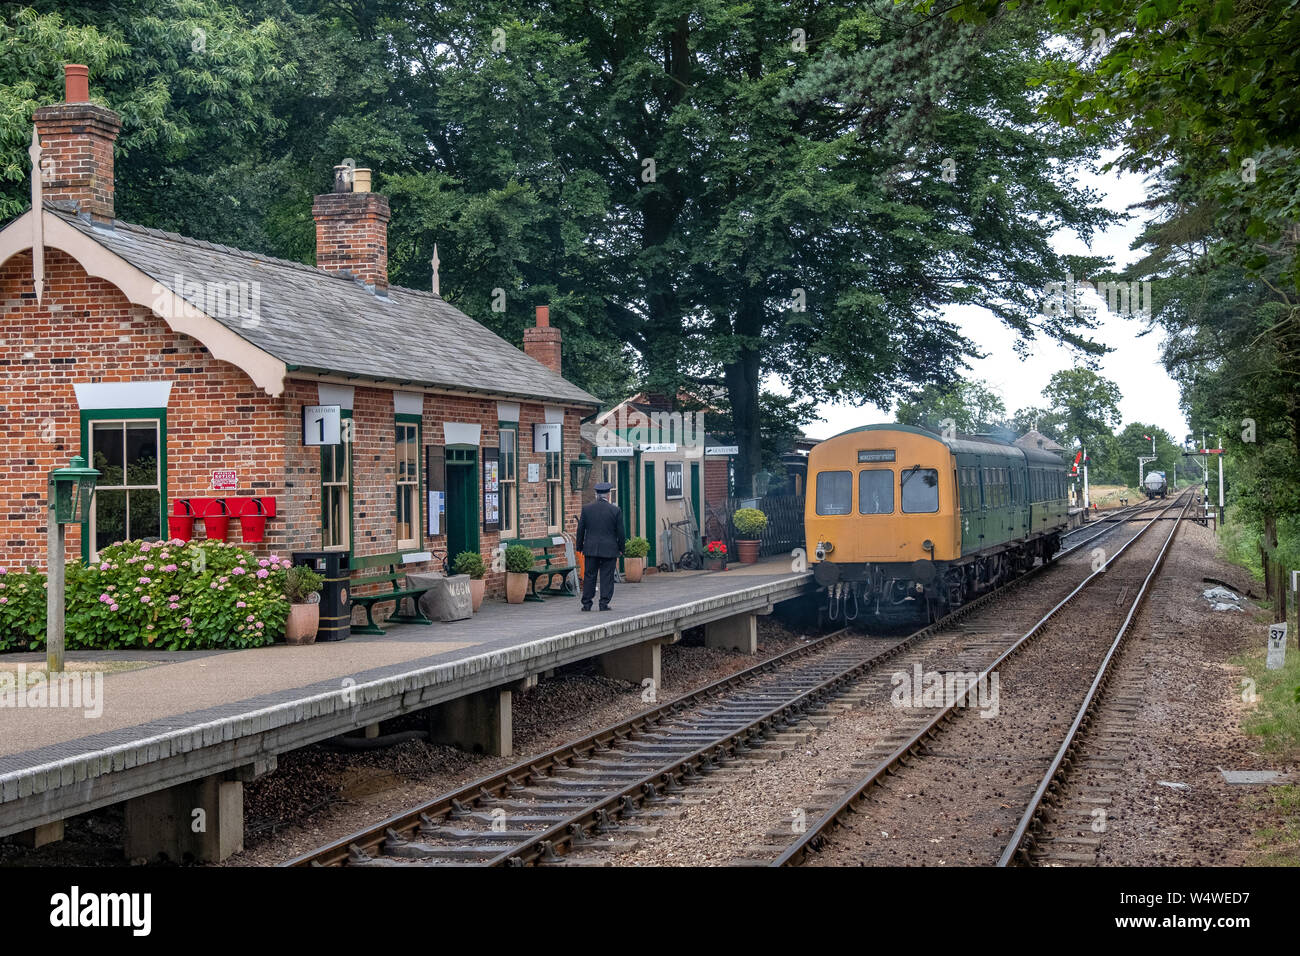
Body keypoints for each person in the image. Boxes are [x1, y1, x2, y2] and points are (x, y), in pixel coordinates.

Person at [576, 481, 625, 611]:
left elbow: (580, 530)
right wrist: (621, 548)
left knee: (589, 575)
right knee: (606, 576)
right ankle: (603, 603)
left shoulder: (586, 509)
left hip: (591, 548)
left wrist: (579, 546)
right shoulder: (615, 510)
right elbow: (621, 532)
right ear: (608, 495)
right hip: (609, 549)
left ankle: (587, 603)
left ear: (596, 494)